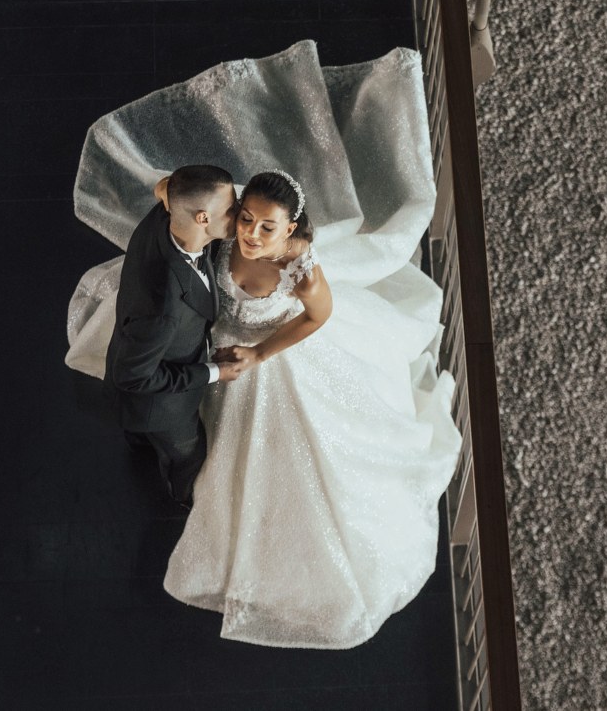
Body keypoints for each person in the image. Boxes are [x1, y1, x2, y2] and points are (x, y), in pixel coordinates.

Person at [64, 40, 462, 648]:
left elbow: (316, 319)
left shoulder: (301, 268)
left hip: (269, 360)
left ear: (291, 229)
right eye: (245, 219)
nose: (249, 234)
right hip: (205, 346)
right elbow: (171, 192)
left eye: (266, 227)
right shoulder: (222, 230)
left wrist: (260, 354)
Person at [101, 164, 254, 510]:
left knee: (138, 431)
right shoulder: (163, 306)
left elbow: (165, 187)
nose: (239, 212)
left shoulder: (165, 214)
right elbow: (132, 376)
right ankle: (181, 496)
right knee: (186, 454)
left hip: (139, 348)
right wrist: (215, 372)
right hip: (162, 406)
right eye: (231, 208)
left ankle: (138, 437)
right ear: (203, 218)